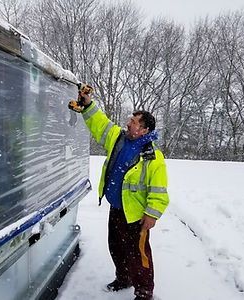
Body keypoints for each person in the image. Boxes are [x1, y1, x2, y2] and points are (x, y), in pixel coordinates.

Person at [76, 89, 170, 300]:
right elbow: (100, 124)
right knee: (116, 247)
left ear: (144, 130)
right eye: (130, 119)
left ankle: (144, 292)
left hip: (136, 215)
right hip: (116, 209)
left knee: (139, 255)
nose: (129, 123)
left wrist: (152, 214)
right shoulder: (118, 138)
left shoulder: (153, 157)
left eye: (134, 122)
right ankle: (124, 277)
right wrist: (88, 105)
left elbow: (159, 190)